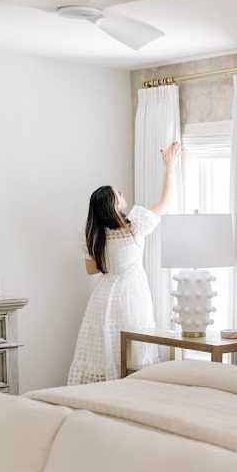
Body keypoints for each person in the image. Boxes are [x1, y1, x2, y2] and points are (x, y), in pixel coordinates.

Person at [68, 141, 181, 385]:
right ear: (113, 203)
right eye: (118, 193)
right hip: (132, 294)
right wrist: (169, 168)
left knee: (103, 354)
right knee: (134, 355)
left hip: (104, 296)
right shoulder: (133, 228)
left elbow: (91, 269)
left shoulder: (92, 234)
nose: (122, 194)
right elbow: (166, 202)